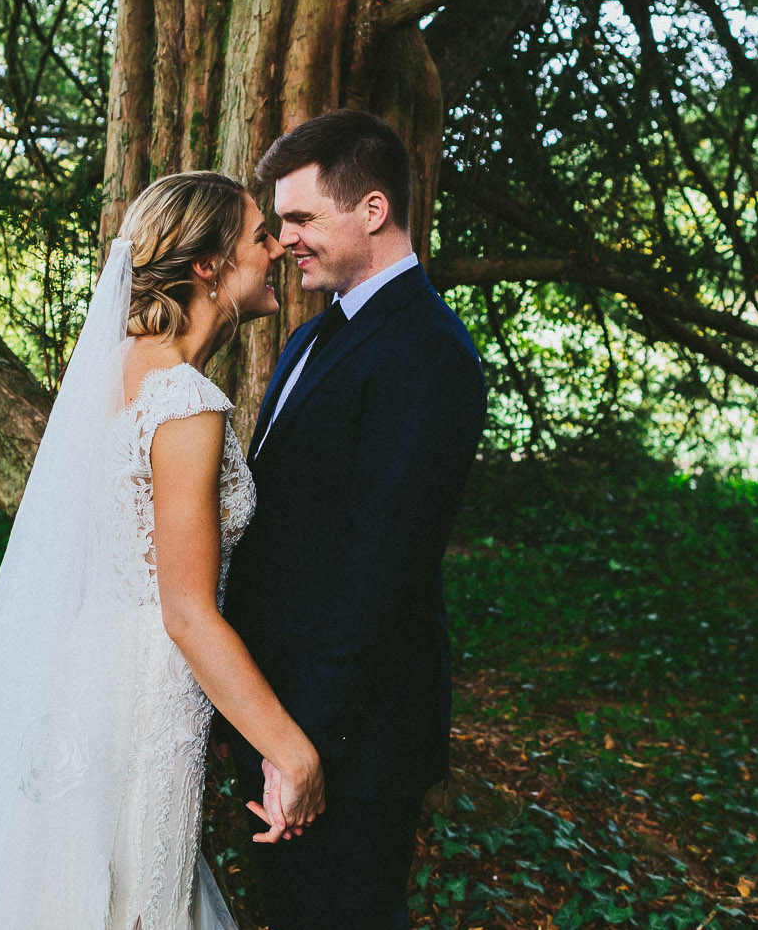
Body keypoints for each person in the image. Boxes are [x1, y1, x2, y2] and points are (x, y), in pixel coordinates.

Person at [0, 171, 323, 930]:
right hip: (149, 695)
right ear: (208, 264)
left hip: (85, 672)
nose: (274, 250)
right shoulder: (186, 402)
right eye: (257, 236)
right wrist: (292, 751)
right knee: (140, 901)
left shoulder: (113, 372)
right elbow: (185, 612)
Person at [221, 109, 489, 930]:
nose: (284, 240)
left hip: (352, 737)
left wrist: (303, 747)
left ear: (372, 210)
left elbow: (381, 568)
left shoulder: (428, 351)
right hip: (279, 716)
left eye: (302, 218)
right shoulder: (308, 339)